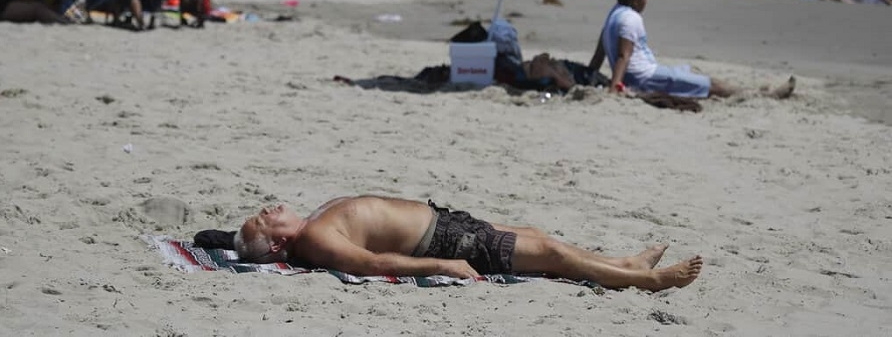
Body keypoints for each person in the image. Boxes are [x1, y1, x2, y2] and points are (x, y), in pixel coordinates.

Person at [233, 195, 703, 292]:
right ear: (276, 247)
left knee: (539, 240)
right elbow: (373, 263)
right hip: (444, 240)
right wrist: (444, 264)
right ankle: (648, 280)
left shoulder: (312, 223)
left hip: (446, 222)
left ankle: (621, 262)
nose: (270, 208)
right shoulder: (313, 240)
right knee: (552, 256)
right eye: (263, 219)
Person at [589, 0, 796, 98]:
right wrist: (614, 88)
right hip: (646, 77)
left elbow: (601, 49)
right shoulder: (631, 19)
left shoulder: (614, 12)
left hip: (645, 72)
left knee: (691, 69)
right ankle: (763, 95)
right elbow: (624, 56)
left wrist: (590, 73)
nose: (646, 1)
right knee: (710, 84)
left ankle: (751, 90)